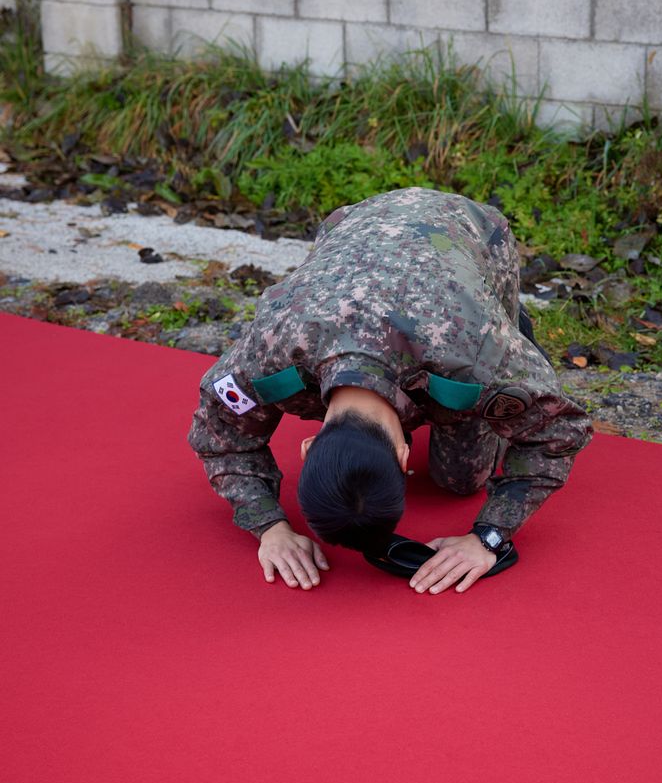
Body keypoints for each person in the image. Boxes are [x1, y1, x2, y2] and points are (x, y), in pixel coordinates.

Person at [187, 187, 593, 594]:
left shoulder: (472, 355)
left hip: (466, 232)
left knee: (461, 480)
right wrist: (269, 526)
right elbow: (219, 434)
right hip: (352, 232)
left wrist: (490, 537)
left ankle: (514, 328)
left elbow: (560, 432)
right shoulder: (273, 349)